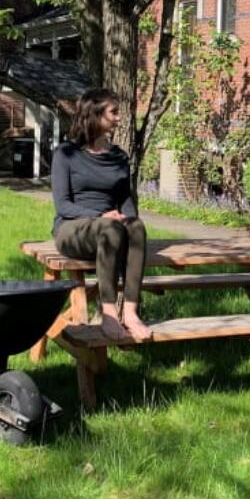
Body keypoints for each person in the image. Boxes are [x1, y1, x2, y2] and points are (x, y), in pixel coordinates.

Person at [51, 88, 152, 342]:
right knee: (110, 228)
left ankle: (130, 311)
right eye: (113, 112)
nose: (119, 118)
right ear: (94, 115)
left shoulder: (119, 157)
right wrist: (102, 215)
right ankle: (108, 315)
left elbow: (126, 201)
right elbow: (63, 205)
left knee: (136, 226)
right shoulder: (66, 154)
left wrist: (128, 221)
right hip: (74, 228)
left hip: (111, 228)